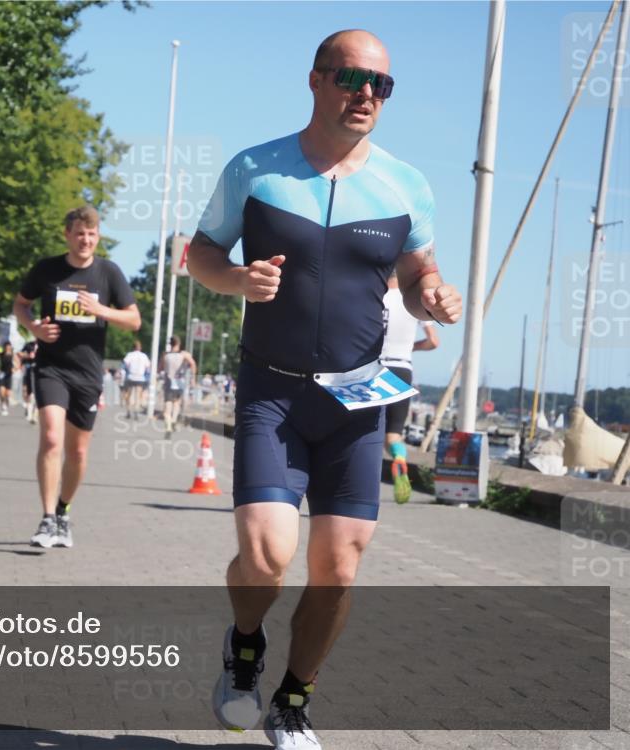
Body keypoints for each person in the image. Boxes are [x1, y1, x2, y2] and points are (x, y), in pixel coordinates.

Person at [187, 30, 462, 749]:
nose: (366, 93)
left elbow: (416, 272)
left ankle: (292, 702)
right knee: (266, 555)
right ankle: (245, 645)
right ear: (315, 80)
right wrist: (236, 279)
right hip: (272, 392)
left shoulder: (407, 185)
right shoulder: (256, 169)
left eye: (380, 84)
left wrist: (432, 293)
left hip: (357, 401)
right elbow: (200, 253)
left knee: (339, 566)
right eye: (351, 78)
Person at [13, 206, 141, 549]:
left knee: (78, 452)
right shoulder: (47, 270)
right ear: (67, 235)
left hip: (87, 373)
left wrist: (101, 310)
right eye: (80, 233)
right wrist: (33, 328)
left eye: (92, 234)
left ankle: (63, 511)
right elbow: (21, 304)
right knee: (51, 439)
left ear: (98, 237)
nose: (86, 240)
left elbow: (134, 320)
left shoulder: (108, 273)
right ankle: (46, 519)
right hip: (51, 367)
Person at [380, 270, 439, 503]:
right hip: (402, 369)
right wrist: (411, 347)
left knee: (365, 432)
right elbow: (433, 341)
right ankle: (399, 458)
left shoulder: (377, 296)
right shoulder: (412, 301)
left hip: (374, 368)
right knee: (393, 436)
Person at [159, 335, 197, 439]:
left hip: (169, 383)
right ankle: (174, 420)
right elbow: (193, 364)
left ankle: (168, 427)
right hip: (180, 383)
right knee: (176, 403)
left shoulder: (165, 355)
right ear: (179, 344)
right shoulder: (184, 354)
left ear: (170, 344)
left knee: (167, 409)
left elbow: (160, 368)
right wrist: (193, 378)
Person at [122, 340, 150, 420]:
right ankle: (136, 411)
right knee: (138, 396)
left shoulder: (130, 355)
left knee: (129, 394)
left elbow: (125, 364)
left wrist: (129, 369)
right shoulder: (144, 356)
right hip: (140, 378)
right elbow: (148, 366)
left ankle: (128, 411)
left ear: (133, 347)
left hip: (131, 376)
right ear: (140, 348)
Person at [19, 339, 39, 423]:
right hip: (30, 371)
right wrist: (28, 355)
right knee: (30, 393)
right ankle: (29, 411)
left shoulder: (46, 342)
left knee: (38, 394)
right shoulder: (29, 344)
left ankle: (34, 415)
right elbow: (20, 353)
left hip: (43, 371)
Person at [0, 341, 18, 416]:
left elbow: (17, 363)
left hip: (9, 375)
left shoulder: (13, 355)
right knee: (1, 391)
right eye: (6, 347)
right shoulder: (1, 353)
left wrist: (15, 369)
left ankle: (6, 405)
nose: (8, 348)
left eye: (9, 347)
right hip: (2, 374)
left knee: (7, 394)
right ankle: (3, 405)